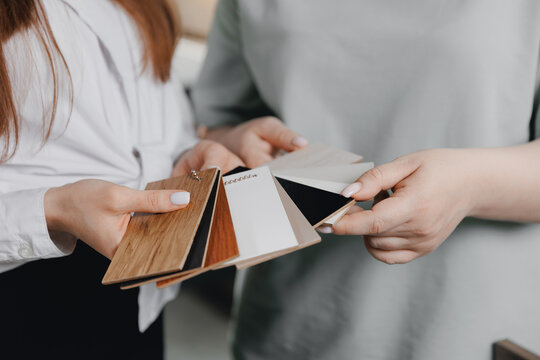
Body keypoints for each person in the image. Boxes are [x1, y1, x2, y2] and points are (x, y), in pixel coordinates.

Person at [192, 0, 540, 359]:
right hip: (290, 321)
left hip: (467, 327)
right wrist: (236, 143)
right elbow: (216, 125)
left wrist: (469, 185)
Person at [0, 1, 241, 359]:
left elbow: (150, 117)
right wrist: (53, 209)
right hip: (23, 292)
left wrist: (192, 150)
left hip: (137, 292)